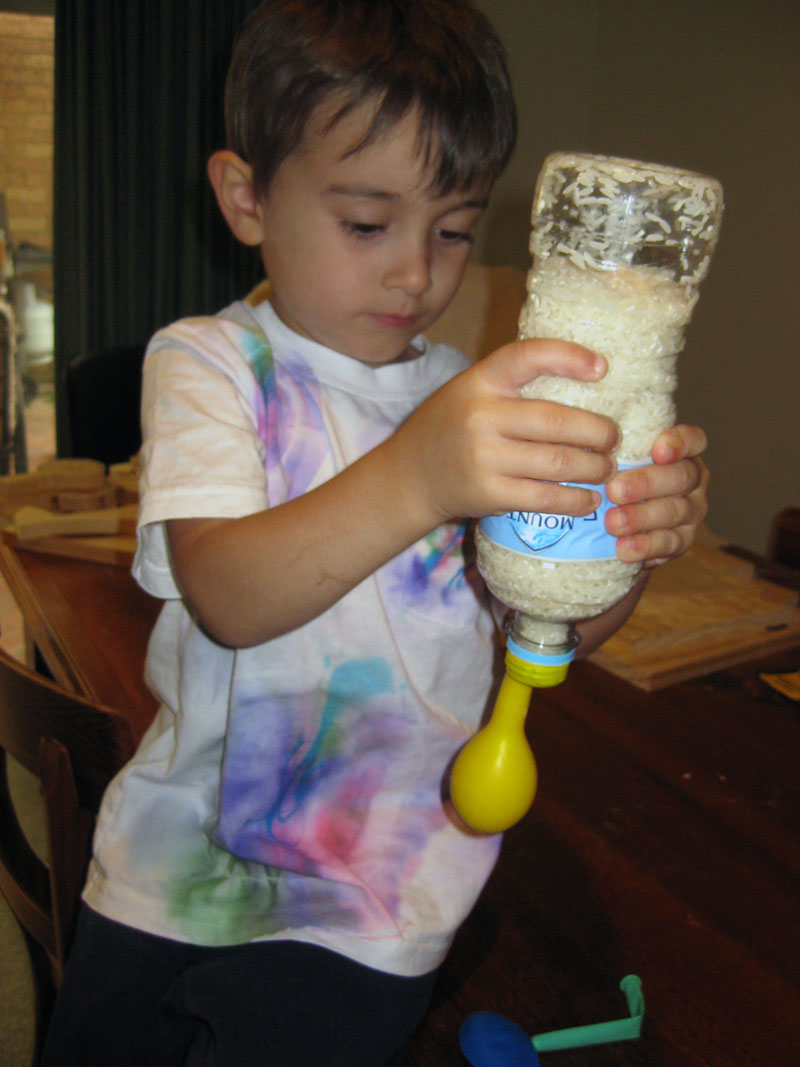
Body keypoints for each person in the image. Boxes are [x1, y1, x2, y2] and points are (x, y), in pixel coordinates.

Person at [43, 1, 709, 1064]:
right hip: (179, 864)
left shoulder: (475, 405)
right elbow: (228, 595)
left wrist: (620, 552)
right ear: (247, 197)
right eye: (367, 223)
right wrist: (420, 473)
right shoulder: (213, 364)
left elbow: (542, 635)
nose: (415, 272)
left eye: (453, 229)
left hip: (380, 893)